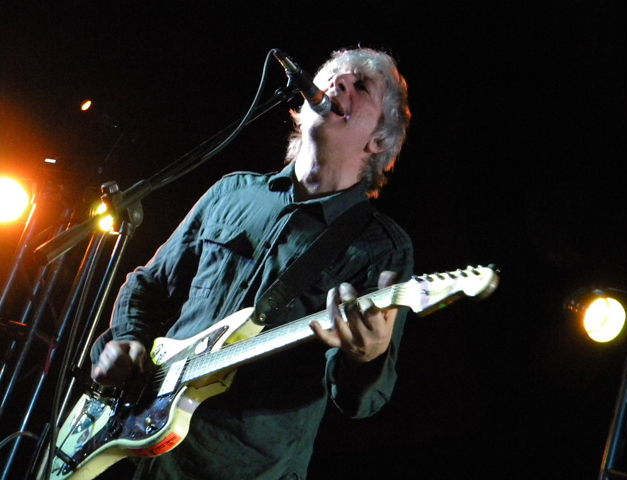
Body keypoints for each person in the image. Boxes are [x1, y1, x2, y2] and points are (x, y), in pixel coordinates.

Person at [90, 47, 413, 480]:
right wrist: (127, 339)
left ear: (379, 140)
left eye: (361, 86)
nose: (338, 83)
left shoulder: (379, 247)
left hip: (235, 467)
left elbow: (364, 402)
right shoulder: (233, 192)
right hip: (128, 446)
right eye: (332, 76)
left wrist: (367, 358)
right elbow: (148, 285)